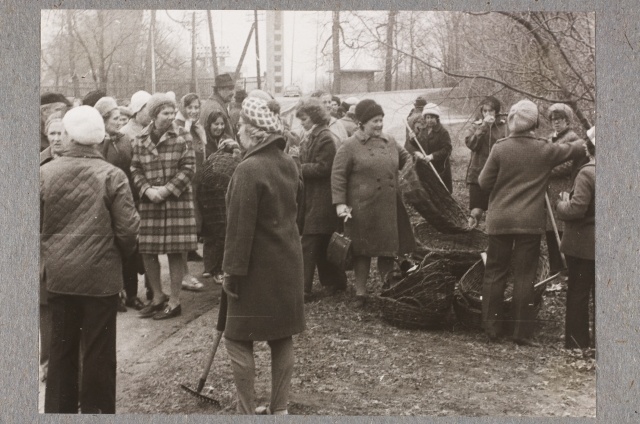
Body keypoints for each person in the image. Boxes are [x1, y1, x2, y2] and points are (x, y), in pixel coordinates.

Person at [41, 106, 140, 413]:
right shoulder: (113, 176)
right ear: (98, 138)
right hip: (101, 280)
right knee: (99, 355)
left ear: (69, 136)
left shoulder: (44, 174)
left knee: (60, 353)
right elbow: (128, 230)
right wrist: (120, 261)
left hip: (59, 278)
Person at [478, 99, 586, 346]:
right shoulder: (544, 149)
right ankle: (521, 333)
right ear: (535, 123)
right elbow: (576, 148)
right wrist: (589, 135)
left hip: (500, 219)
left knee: (495, 272)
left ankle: (492, 329)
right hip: (529, 221)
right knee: (525, 276)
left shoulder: (500, 147)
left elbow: (484, 183)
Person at [222, 96, 305, 415]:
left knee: (237, 339)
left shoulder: (249, 169)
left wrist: (231, 272)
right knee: (281, 336)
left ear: (254, 131)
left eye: (242, 125)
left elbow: (239, 230)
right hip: (287, 261)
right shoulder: (287, 162)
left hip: (255, 270)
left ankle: (246, 411)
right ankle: (279, 409)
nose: (239, 131)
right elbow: (299, 208)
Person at [331, 99, 416, 308]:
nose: (379, 125)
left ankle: (387, 288)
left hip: (388, 204)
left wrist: (413, 161)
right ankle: (361, 293)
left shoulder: (390, 141)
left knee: (387, 249)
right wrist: (340, 203)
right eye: (374, 121)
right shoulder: (350, 145)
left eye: (381, 120)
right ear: (361, 123)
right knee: (362, 250)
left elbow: (407, 158)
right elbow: (338, 175)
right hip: (361, 207)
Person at [130, 93, 198, 320]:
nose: (170, 117)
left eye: (171, 112)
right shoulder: (141, 138)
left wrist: (166, 190)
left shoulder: (183, 135)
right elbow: (135, 169)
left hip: (176, 202)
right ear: (154, 114)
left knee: (175, 251)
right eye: (165, 113)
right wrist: (147, 190)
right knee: (148, 250)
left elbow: (189, 168)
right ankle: (158, 296)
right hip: (151, 203)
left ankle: (175, 301)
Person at [94, 96, 146, 311]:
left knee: (131, 246)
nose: (119, 121)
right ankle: (114, 295)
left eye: (121, 118)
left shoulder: (125, 139)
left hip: (128, 199)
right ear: (104, 120)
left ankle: (132, 295)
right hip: (106, 203)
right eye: (115, 118)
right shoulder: (97, 143)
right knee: (110, 249)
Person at [296, 98, 347, 301]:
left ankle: (303, 289)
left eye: (304, 118)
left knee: (309, 242)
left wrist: (299, 169)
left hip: (322, 200)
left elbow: (325, 167)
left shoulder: (325, 137)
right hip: (316, 198)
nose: (302, 123)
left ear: (315, 117)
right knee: (323, 242)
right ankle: (335, 282)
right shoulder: (315, 135)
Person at [557, 126, 595, 349]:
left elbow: (576, 209)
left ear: (588, 148)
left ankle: (576, 343)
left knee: (578, 293)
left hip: (583, 245)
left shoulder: (587, 172)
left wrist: (561, 204)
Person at [39, 110, 67, 383]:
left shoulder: (74, 161)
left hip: (69, 244)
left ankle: (69, 362)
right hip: (44, 245)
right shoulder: (39, 164)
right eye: (52, 134)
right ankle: (46, 362)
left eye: (61, 133)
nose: (57, 139)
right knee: (45, 306)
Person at [546, 103, 587, 277]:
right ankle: (555, 266)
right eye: (554, 119)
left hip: (564, 187)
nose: (556, 123)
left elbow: (568, 166)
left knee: (563, 227)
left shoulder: (572, 138)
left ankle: (566, 267)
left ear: (568, 120)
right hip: (548, 189)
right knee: (550, 228)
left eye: (560, 119)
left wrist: (544, 170)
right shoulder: (550, 138)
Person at [174, 93, 208, 290]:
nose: (194, 111)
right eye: (190, 107)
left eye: (197, 107)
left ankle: (184, 273)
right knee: (186, 229)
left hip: (197, 182)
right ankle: (184, 274)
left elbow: (202, 152)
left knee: (192, 228)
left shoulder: (196, 126)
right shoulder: (179, 125)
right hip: (186, 183)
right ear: (183, 107)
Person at [197, 137, 241, 282]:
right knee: (215, 233)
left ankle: (215, 269)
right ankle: (212, 268)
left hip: (218, 197)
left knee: (218, 233)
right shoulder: (218, 161)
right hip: (212, 195)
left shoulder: (226, 161)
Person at [464, 96, 507, 228]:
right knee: (476, 211)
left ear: (496, 112)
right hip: (477, 174)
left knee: (497, 212)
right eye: (485, 111)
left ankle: (494, 241)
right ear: (481, 112)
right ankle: (471, 237)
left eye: (491, 111)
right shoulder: (474, 127)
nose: (488, 114)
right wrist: (483, 127)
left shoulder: (504, 127)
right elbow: (471, 145)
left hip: (498, 175)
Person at [405, 103, 453, 193]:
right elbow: (419, 145)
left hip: (440, 168)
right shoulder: (423, 130)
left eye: (432, 117)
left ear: (437, 118)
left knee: (441, 192)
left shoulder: (443, 132)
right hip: (427, 168)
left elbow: (447, 150)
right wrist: (412, 139)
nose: (429, 120)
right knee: (429, 192)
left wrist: (432, 156)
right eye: (427, 117)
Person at [200, 73, 237, 141]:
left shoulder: (210, 103)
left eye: (233, 89)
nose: (233, 93)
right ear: (219, 89)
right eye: (230, 89)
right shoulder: (216, 109)